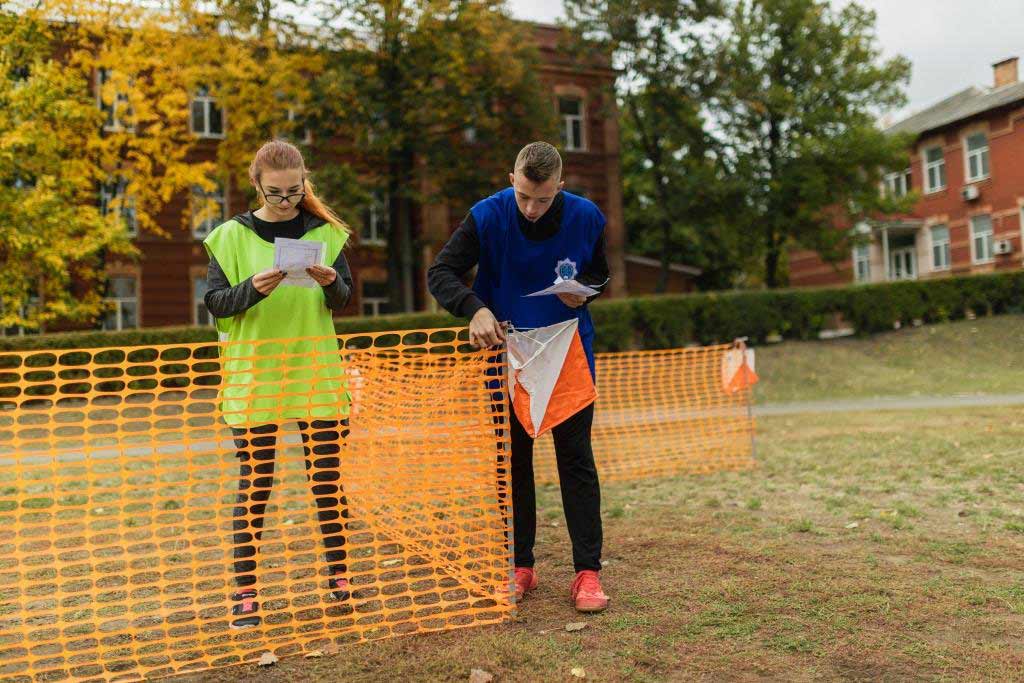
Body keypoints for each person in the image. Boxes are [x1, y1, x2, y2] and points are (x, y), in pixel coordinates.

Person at [427, 141, 611, 613]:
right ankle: (520, 564)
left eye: (544, 199)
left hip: (567, 350)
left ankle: (587, 573)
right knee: (512, 460)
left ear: (561, 188)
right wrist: (475, 308)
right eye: (524, 195)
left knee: (575, 459)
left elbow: (599, 272)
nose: (531, 208)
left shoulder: (588, 216)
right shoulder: (487, 216)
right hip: (505, 352)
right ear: (512, 180)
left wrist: (585, 294)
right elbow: (441, 272)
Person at [203, 139, 354, 629]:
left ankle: (340, 577)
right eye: (276, 194)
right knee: (256, 483)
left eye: (294, 192)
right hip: (255, 375)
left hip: (315, 372)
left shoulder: (326, 233)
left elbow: (343, 300)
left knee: (326, 481)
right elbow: (216, 303)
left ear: (304, 182)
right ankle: (245, 592)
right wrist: (252, 289)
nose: (286, 201)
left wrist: (332, 282)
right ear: (256, 186)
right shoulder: (229, 237)